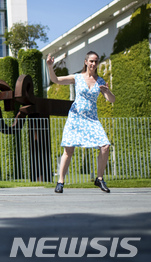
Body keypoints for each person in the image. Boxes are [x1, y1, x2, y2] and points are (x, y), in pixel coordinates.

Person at [46, 51, 115, 194]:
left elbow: (111, 100)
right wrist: (50, 67)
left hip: (92, 119)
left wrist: (107, 91)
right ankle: (60, 182)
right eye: (91, 61)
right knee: (68, 150)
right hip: (76, 117)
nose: (93, 64)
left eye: (96, 61)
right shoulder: (77, 78)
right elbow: (56, 80)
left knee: (105, 146)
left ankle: (100, 179)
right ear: (86, 62)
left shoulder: (100, 81)